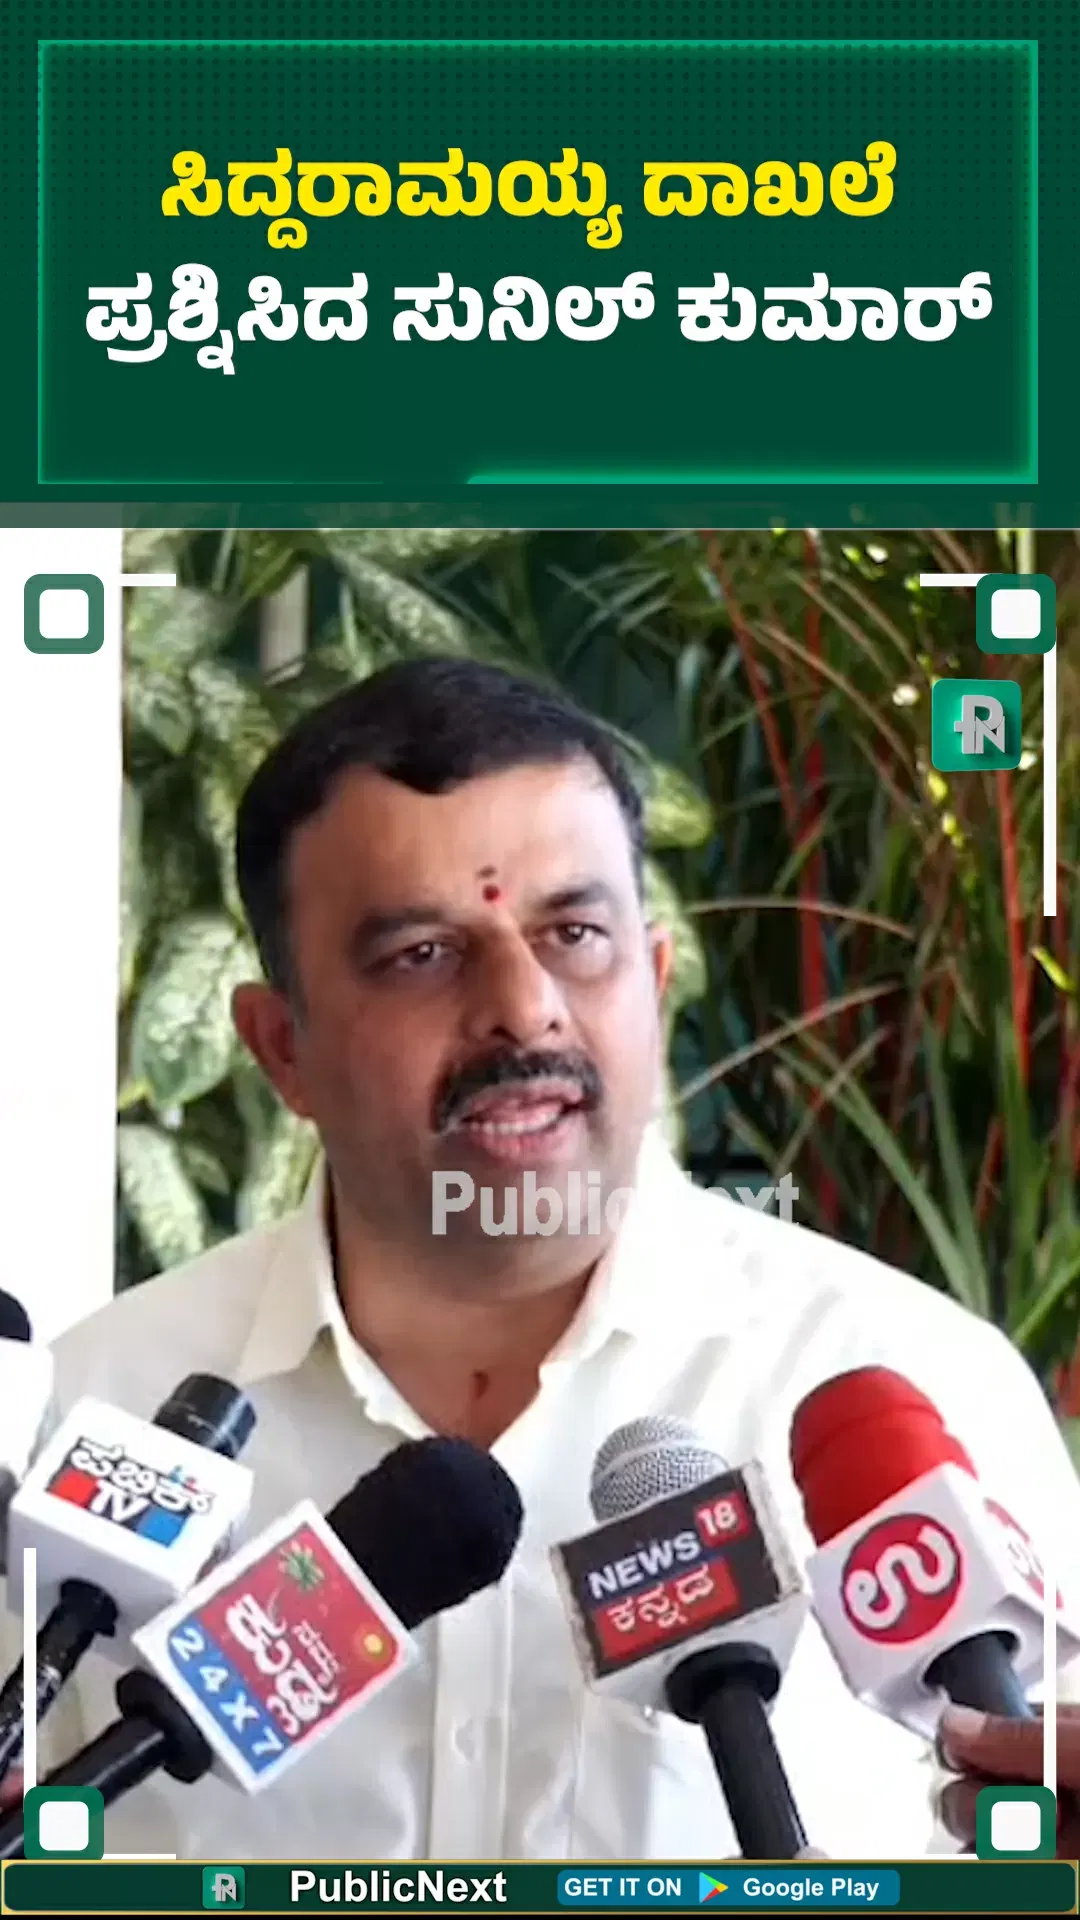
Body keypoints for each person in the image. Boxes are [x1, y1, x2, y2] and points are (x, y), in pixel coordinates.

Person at [2, 657, 1078, 1860]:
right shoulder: (96, 1418)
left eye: (574, 934)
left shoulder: (922, 1393)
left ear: (655, 984)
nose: (523, 1007)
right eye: (421, 952)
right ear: (280, 1047)